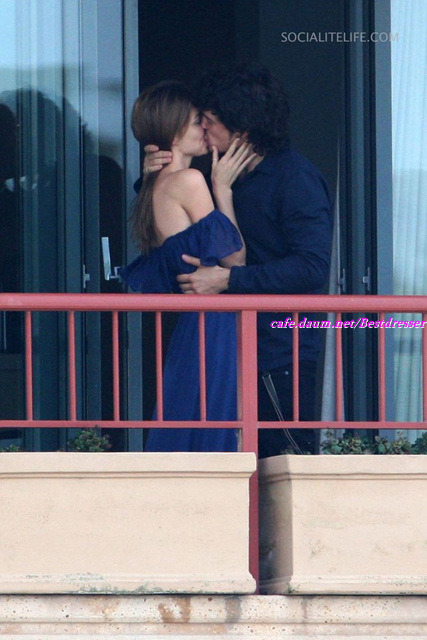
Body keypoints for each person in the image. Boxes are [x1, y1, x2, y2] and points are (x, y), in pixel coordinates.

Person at [143, 63, 334, 457]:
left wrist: (229, 281)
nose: (202, 128)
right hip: (229, 343)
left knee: (281, 464)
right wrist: (151, 176)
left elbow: (311, 267)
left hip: (278, 348)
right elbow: (180, 220)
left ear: (241, 131)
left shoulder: (295, 179)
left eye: (209, 121)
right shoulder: (220, 174)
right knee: (222, 459)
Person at [120, 80, 255, 451]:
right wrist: (222, 189)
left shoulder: (153, 186)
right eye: (198, 122)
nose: (205, 129)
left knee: (194, 420)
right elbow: (235, 258)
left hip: (193, 323)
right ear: (175, 131)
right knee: (217, 424)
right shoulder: (189, 180)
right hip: (211, 320)